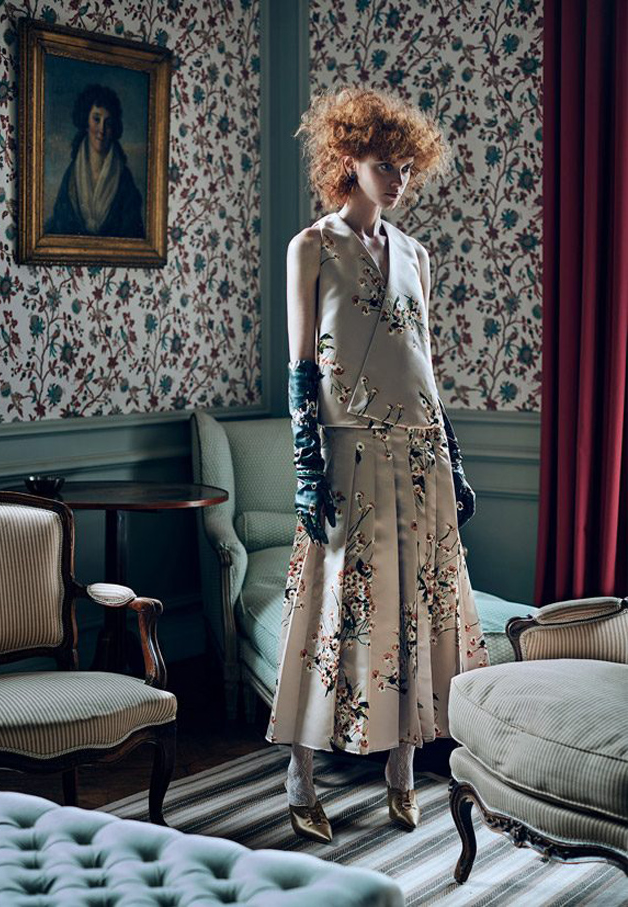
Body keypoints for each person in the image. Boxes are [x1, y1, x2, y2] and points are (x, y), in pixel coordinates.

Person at [265, 86, 490, 844]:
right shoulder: (312, 246)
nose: (398, 179)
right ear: (349, 160)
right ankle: (300, 773)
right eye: (384, 164)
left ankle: (403, 769)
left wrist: (455, 461)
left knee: (419, 609)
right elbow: (301, 368)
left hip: (422, 453)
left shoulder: (417, 255)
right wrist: (307, 469)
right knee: (328, 610)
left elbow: (426, 367)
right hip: (348, 453)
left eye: (406, 167)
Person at [46, 83, 145, 238]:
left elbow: (133, 233)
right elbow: (60, 224)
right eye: (96, 119)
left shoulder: (124, 178)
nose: (102, 130)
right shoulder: (72, 175)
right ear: (86, 121)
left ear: (114, 128)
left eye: (108, 123)